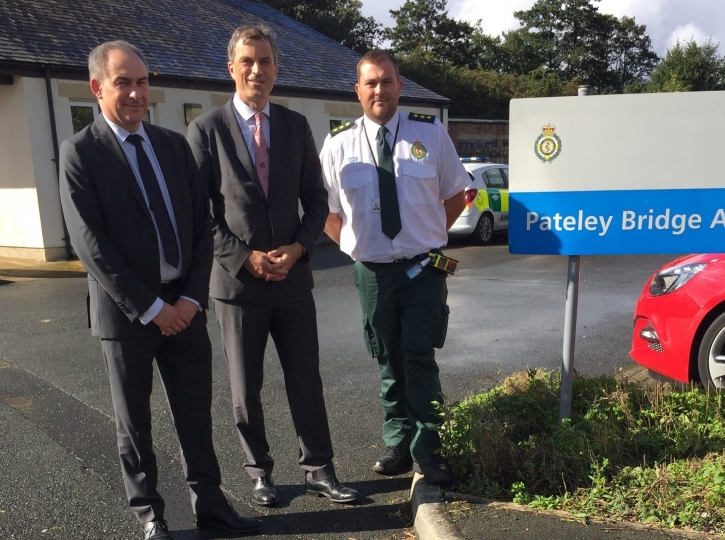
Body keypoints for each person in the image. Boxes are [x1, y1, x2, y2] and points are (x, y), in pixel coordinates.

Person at [58, 41, 262, 540]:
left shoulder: (172, 146)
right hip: (128, 315)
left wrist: (190, 300)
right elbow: (91, 245)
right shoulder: (79, 154)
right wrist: (152, 308)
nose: (135, 93)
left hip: (186, 307)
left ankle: (211, 507)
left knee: (196, 414)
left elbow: (202, 226)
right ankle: (151, 516)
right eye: (123, 82)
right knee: (135, 425)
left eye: (142, 82)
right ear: (96, 88)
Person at [187, 25, 358, 505]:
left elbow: (316, 200)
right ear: (231, 68)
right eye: (247, 61)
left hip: (292, 279)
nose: (256, 70)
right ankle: (259, 471)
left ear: (276, 70)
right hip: (237, 284)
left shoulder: (295, 125)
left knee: (306, 377)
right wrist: (245, 258)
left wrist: (299, 248)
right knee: (247, 386)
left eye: (264, 61)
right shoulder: (205, 131)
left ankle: (319, 468)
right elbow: (199, 214)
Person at [319, 49, 470, 486]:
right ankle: (398, 444)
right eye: (371, 82)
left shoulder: (431, 135)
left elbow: (458, 194)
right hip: (372, 273)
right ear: (358, 90)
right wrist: (353, 246)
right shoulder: (338, 144)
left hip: (424, 269)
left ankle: (430, 449)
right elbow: (326, 211)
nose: (379, 90)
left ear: (400, 87)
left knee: (419, 358)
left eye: (387, 81)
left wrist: (427, 237)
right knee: (387, 359)